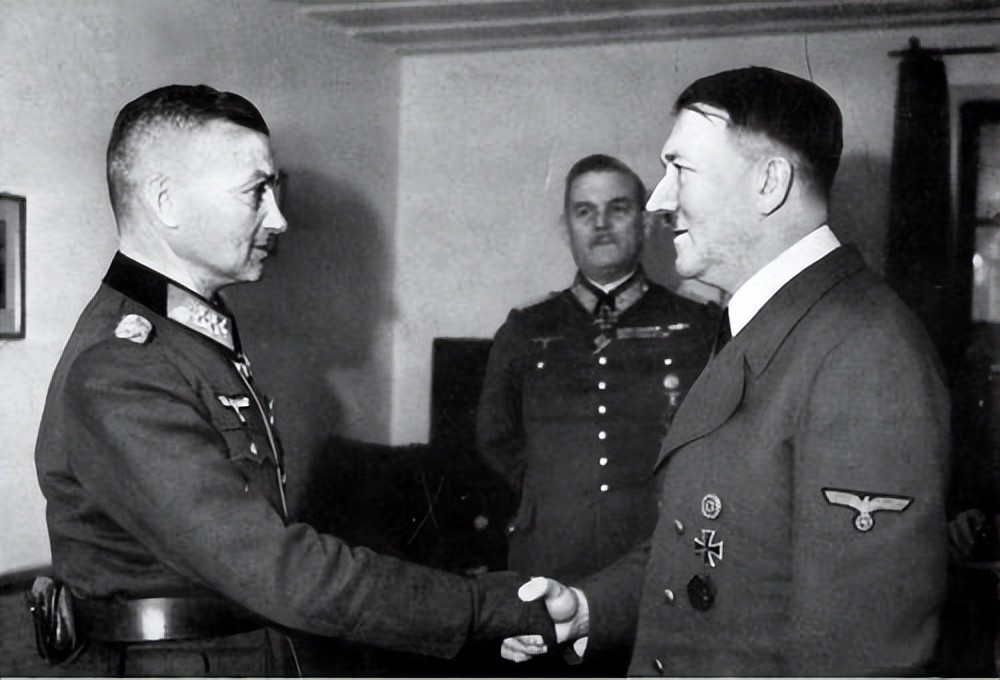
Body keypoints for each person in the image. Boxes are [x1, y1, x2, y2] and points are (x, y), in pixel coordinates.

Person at [32, 84, 556, 677]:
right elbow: (279, 570)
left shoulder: (188, 339)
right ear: (165, 201)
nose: (278, 218)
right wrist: (482, 609)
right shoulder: (123, 367)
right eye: (256, 192)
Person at [503, 66, 951, 676]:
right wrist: (588, 609)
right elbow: (709, 548)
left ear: (769, 183)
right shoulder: (769, 323)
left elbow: (859, 655)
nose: (659, 200)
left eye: (681, 170)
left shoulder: (866, 350)